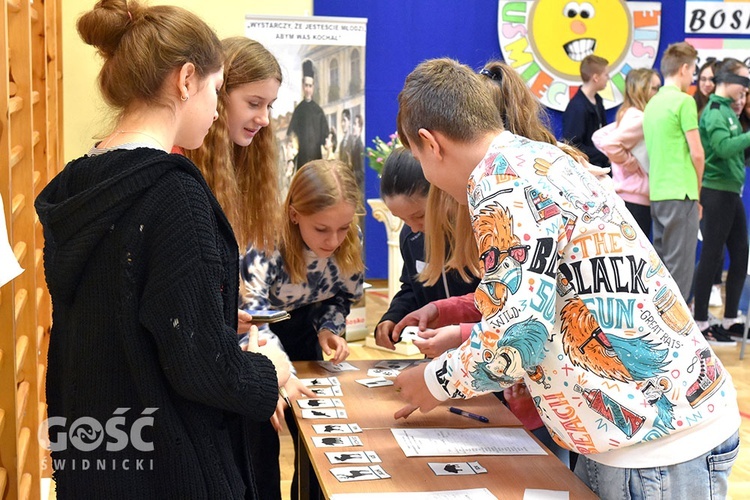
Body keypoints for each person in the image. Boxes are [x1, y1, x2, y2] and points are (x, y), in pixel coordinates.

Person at [393, 57, 739, 499]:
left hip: (656, 449)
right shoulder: (537, 159)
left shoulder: (500, 182)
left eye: (419, 158)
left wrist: (434, 380)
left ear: (430, 143)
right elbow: (545, 300)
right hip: (648, 436)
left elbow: (518, 336)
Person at [34, 2, 290, 498]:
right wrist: (268, 374)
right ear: (187, 79)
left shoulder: (77, 181)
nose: (217, 110)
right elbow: (201, 367)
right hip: (166, 467)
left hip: (95, 450)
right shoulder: (174, 195)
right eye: (217, 92)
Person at [184, 36, 315, 500]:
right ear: (217, 94)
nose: (263, 118)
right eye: (253, 103)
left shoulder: (242, 167)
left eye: (270, 105)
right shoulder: (184, 176)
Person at [240, 159, 364, 498]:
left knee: (317, 438)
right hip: (257, 344)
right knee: (262, 442)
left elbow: (341, 297)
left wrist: (330, 330)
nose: (334, 240)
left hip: (304, 337)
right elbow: (250, 317)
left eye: (343, 228)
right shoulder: (264, 242)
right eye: (322, 229)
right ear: (294, 214)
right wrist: (280, 375)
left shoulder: (350, 240)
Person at [374, 147, 480, 349]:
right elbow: (413, 287)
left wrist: (460, 334)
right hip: (437, 355)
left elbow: (494, 303)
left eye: (419, 216)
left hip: (482, 353)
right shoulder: (411, 236)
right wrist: (394, 316)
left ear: (442, 194)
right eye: (402, 219)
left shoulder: (479, 231)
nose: (413, 227)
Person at [643, 42, 705, 303]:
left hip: (658, 193)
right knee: (680, 274)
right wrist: (698, 194)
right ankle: (679, 338)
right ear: (684, 68)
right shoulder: (684, 101)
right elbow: (697, 153)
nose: (692, 78)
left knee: (662, 270)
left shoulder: (651, 104)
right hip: (682, 192)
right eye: (692, 72)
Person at [693, 58, 750, 345]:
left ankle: (729, 319)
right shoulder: (715, 112)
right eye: (744, 80)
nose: (747, 86)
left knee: (740, 253)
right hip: (716, 191)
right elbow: (723, 148)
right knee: (713, 255)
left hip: (731, 190)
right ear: (728, 79)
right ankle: (701, 320)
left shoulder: (729, 111)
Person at [592, 68, 661, 237]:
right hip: (635, 197)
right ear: (641, 90)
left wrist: (622, 160)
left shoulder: (629, 113)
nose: (658, 94)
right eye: (655, 88)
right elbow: (608, 142)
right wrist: (628, 163)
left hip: (626, 195)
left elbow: (599, 137)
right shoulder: (640, 118)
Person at [562, 54, 611, 168]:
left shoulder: (597, 100)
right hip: (587, 168)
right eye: (606, 75)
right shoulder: (577, 107)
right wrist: (604, 155)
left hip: (601, 165)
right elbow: (573, 145)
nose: (608, 78)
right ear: (596, 77)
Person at [287, 59, 328, 167]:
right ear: (302, 86)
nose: (308, 89)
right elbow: (291, 136)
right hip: (302, 162)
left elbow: (326, 138)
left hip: (317, 163)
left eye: (310, 86)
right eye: (306, 85)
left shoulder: (319, 111)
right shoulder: (298, 110)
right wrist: (290, 157)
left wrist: (329, 143)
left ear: (313, 87)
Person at [350, 113, 365, 190]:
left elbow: (362, 172)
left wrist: (350, 175)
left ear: (360, 128)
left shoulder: (360, 146)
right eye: (353, 124)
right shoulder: (355, 144)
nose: (353, 127)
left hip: (359, 188)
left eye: (355, 124)